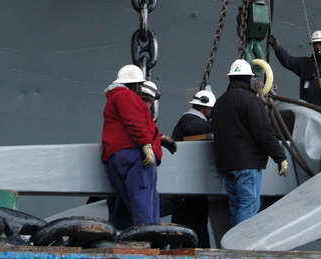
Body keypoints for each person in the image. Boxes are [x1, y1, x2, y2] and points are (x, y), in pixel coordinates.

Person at [213, 59, 289, 226]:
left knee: (235, 205)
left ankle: (232, 248)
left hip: (226, 164)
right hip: (247, 164)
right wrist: (280, 157)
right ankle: (241, 248)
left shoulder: (220, 102)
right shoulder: (251, 101)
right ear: (249, 78)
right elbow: (263, 132)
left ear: (231, 78)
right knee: (249, 205)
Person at [101, 64, 163, 227]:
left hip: (116, 155)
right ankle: (147, 240)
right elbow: (134, 122)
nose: (141, 88)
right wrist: (146, 146)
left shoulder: (114, 98)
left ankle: (128, 238)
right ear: (134, 84)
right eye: (140, 84)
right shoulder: (126, 97)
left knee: (128, 201)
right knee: (144, 201)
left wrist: (160, 139)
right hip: (134, 155)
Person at [170, 89, 216, 247]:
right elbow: (198, 130)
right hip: (190, 185)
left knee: (185, 223)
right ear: (204, 109)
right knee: (195, 223)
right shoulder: (191, 121)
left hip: (185, 183)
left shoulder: (187, 120)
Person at [268, 30, 321, 117]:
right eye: (315, 45)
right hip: (309, 113)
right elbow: (288, 61)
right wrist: (277, 47)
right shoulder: (306, 63)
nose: (318, 47)